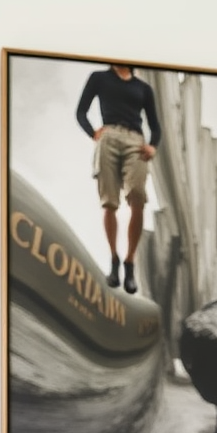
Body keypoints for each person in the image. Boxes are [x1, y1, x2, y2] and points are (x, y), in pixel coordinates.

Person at [76, 65, 162, 295]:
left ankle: (130, 262)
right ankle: (114, 260)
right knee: (109, 202)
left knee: (137, 197)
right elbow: (81, 112)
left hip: (136, 141)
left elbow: (155, 125)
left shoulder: (143, 88)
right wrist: (93, 133)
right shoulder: (99, 78)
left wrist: (153, 146)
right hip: (109, 137)